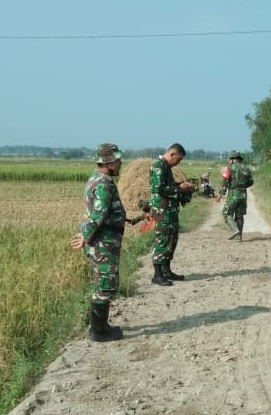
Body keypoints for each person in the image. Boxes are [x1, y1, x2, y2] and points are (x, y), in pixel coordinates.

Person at [69, 143, 144, 342]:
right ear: (109, 162)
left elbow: (103, 212)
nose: (120, 163)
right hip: (103, 243)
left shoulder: (96, 178)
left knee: (103, 282)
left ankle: (102, 326)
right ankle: (98, 331)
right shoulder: (103, 183)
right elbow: (98, 214)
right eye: (118, 160)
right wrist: (85, 236)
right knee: (104, 283)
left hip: (102, 241)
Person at [148, 143, 194, 286]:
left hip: (170, 210)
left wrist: (181, 185)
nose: (178, 163)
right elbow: (159, 188)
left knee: (171, 239)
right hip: (162, 210)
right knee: (162, 240)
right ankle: (157, 275)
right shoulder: (159, 166)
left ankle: (167, 271)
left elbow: (168, 186)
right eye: (178, 160)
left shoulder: (166, 167)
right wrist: (179, 187)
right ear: (172, 154)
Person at [218, 151, 254, 241]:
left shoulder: (229, 168)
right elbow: (251, 182)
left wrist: (220, 194)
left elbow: (225, 182)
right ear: (239, 159)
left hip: (233, 193)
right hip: (243, 194)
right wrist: (243, 187)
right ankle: (239, 236)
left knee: (226, 213)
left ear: (232, 159)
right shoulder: (246, 168)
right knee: (239, 215)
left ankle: (235, 231)